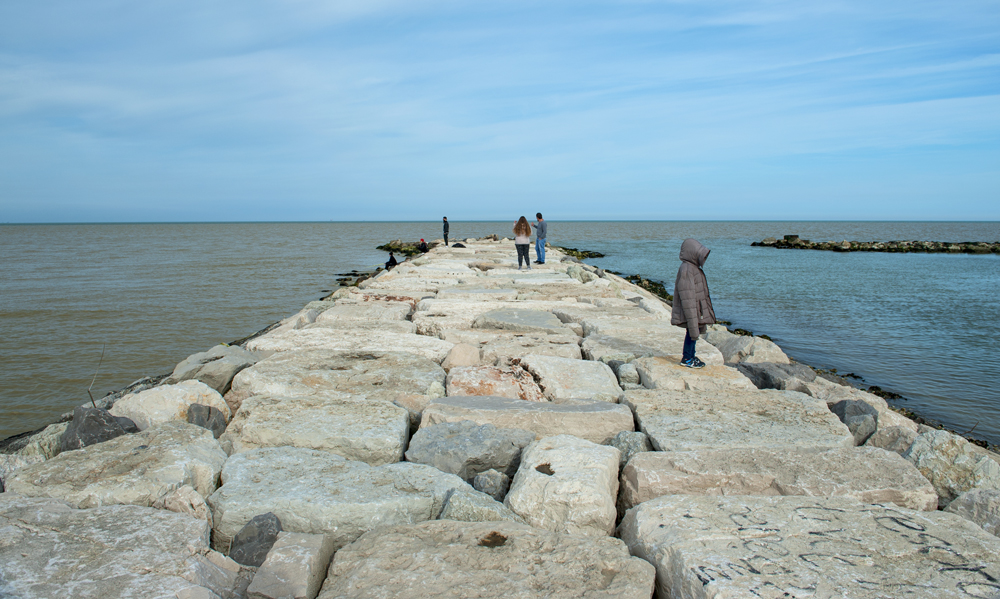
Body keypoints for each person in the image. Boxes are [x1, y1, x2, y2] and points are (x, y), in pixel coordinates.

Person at [671, 238, 716, 368]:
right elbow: (687, 296)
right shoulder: (687, 269)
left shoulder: (692, 267)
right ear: (692, 253)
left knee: (691, 333)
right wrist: (692, 315)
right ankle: (687, 358)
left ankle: (691, 355)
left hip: (696, 308)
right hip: (691, 309)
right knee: (691, 332)